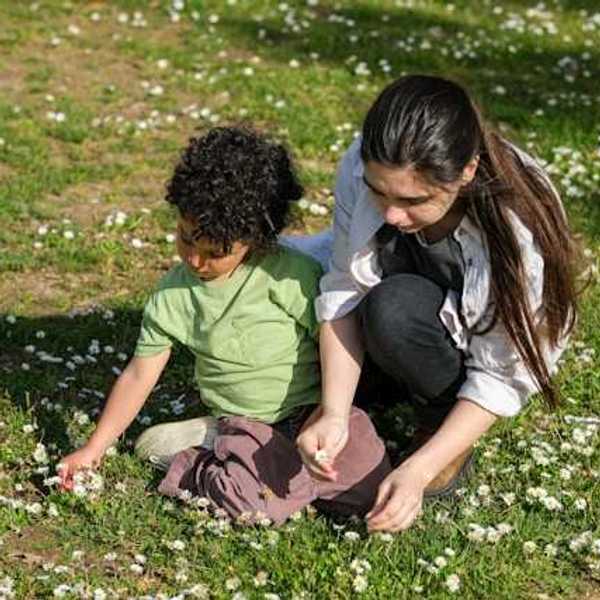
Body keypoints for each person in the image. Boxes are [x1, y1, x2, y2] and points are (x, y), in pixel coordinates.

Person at [57, 126, 390, 525]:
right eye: (184, 239)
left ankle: (285, 481)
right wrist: (94, 448)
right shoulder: (172, 297)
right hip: (245, 426)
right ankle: (196, 455)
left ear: (256, 239)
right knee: (250, 505)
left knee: (370, 484)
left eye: (215, 253)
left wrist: (329, 416)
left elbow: (331, 340)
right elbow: (139, 375)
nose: (195, 261)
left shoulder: (292, 276)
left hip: (309, 413)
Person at [296, 75, 579, 533]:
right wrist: (334, 410)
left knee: (394, 309)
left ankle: (437, 422)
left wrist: (420, 470)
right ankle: (352, 400)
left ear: (466, 172)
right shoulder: (363, 163)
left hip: (449, 334)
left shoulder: (516, 228)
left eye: (413, 200)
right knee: (290, 278)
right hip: (405, 297)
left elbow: (500, 375)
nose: (390, 213)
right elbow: (344, 288)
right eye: (378, 191)